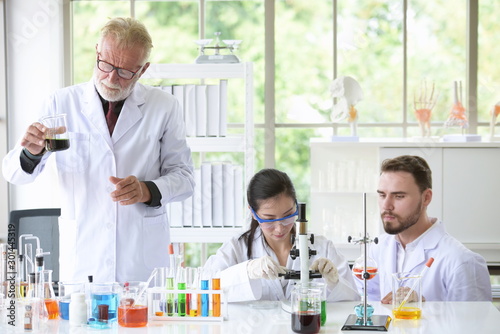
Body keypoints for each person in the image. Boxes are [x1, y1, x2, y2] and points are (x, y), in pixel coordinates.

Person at [2, 17, 194, 283]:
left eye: (125, 71)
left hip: (140, 258)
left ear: (143, 69)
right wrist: (31, 153)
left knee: (144, 322)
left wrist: (147, 190)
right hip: (84, 255)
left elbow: (185, 178)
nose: (112, 77)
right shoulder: (60, 103)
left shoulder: (164, 106)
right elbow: (14, 174)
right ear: (97, 53)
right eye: (105, 65)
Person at [203, 168, 360, 302]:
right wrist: (247, 271)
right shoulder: (237, 247)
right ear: (253, 213)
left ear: (296, 206)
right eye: (269, 219)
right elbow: (206, 288)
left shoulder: (322, 247)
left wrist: (335, 283)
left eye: (287, 216)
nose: (279, 229)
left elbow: (353, 303)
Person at [362, 155, 492, 302]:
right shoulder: (378, 249)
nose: (386, 206)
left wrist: (427, 309)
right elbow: (368, 306)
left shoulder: (462, 261)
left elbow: (475, 324)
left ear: (426, 198)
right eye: (382, 195)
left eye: (398, 196)